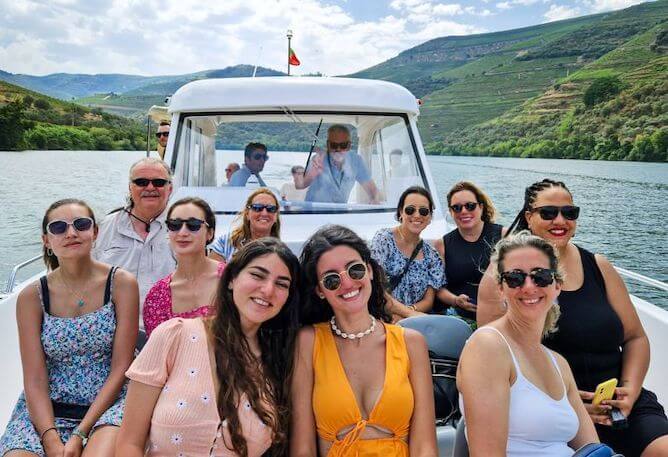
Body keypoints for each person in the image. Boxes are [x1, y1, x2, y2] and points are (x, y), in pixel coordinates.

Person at [477, 179, 668, 457]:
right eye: (548, 213)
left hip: (620, 405)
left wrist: (630, 391)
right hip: (552, 411)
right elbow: (496, 363)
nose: (560, 220)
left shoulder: (599, 266)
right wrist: (569, 400)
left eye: (569, 213)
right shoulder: (505, 279)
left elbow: (635, 337)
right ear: (529, 217)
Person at [116, 238, 301, 457]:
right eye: (257, 275)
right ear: (231, 279)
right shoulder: (174, 336)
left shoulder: (281, 363)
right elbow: (129, 443)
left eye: (282, 284)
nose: (268, 290)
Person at [0, 199, 138, 457]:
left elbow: (121, 367)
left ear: (94, 232)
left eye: (81, 224)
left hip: (109, 405)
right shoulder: (33, 296)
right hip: (48, 410)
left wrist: (80, 433)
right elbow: (35, 378)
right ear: (46, 240)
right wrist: (50, 438)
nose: (71, 233)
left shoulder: (121, 283)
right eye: (59, 227)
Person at [291, 225, 437, 457]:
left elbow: (425, 447)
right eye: (331, 280)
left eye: (355, 270)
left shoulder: (411, 343)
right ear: (319, 290)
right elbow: (303, 447)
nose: (347, 283)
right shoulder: (308, 342)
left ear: (369, 270)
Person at [458, 231, 599, 456]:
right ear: (501, 288)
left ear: (557, 285)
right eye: (515, 278)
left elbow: (592, 449)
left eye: (541, 276)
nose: (529, 286)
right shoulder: (488, 347)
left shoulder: (558, 363)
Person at [93, 157, 176, 306]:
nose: (150, 188)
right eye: (141, 182)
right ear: (130, 187)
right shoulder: (105, 227)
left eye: (158, 182)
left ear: (170, 188)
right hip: (113, 324)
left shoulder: (185, 228)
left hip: (168, 324)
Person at [142, 197, 224, 337]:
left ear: (210, 233)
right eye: (175, 225)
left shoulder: (232, 279)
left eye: (193, 225)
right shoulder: (157, 296)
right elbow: (158, 351)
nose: (183, 232)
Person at [434, 181, 504, 322]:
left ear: (481, 207)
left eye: (470, 206)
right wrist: (456, 300)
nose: (464, 211)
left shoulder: (504, 236)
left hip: (499, 316)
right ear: (451, 212)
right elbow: (438, 289)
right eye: (457, 208)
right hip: (459, 317)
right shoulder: (442, 244)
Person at [371, 186, 444, 321]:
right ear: (401, 212)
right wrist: (403, 314)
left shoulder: (431, 255)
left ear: (429, 217)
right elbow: (376, 287)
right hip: (383, 316)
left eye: (423, 211)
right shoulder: (384, 239)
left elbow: (428, 301)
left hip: (412, 319)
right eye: (410, 209)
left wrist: (406, 314)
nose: (417, 215)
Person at [297, 125, 380, 204]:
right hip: (312, 213)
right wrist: (313, 173)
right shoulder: (318, 159)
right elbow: (301, 185)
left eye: (343, 145)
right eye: (334, 145)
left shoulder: (356, 161)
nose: (338, 149)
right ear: (328, 145)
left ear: (349, 145)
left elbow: (372, 191)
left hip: (340, 214)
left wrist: (374, 199)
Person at [209, 188, 281, 262]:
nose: (264, 213)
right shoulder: (224, 243)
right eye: (257, 208)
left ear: (276, 216)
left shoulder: (282, 254)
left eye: (271, 209)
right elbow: (212, 271)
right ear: (247, 214)